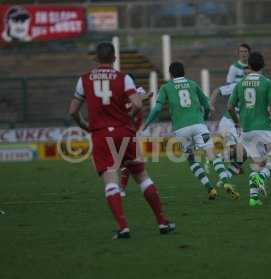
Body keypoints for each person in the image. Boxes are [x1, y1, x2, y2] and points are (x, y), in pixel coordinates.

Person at [68, 42, 175, 239]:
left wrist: (85, 125)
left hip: (101, 134)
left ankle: (123, 227)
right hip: (124, 132)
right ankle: (162, 222)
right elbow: (136, 104)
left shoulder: (83, 80)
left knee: (111, 181)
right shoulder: (123, 78)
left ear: (96, 58)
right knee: (142, 176)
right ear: (115, 58)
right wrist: (128, 116)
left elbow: (72, 111)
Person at [142, 62, 240, 201]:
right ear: (184, 72)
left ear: (171, 74)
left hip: (181, 129)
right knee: (212, 155)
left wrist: (146, 124)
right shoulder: (193, 84)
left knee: (191, 159)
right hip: (199, 125)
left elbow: (157, 108)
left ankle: (209, 188)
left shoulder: (166, 87)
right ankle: (226, 182)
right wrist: (204, 118)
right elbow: (207, 105)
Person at [228, 52, 271, 207]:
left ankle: (253, 199)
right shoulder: (266, 83)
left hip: (246, 130)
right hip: (263, 128)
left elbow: (230, 108)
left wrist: (237, 124)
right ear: (262, 66)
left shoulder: (240, 84)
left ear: (249, 66)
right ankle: (263, 177)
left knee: (257, 163)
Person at [209, 43, 251, 175]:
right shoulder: (236, 84)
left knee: (242, 152)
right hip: (229, 122)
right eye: (241, 51)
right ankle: (219, 161)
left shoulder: (254, 87)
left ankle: (227, 163)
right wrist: (211, 105)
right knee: (240, 151)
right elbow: (219, 89)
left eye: (245, 51)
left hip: (238, 123)